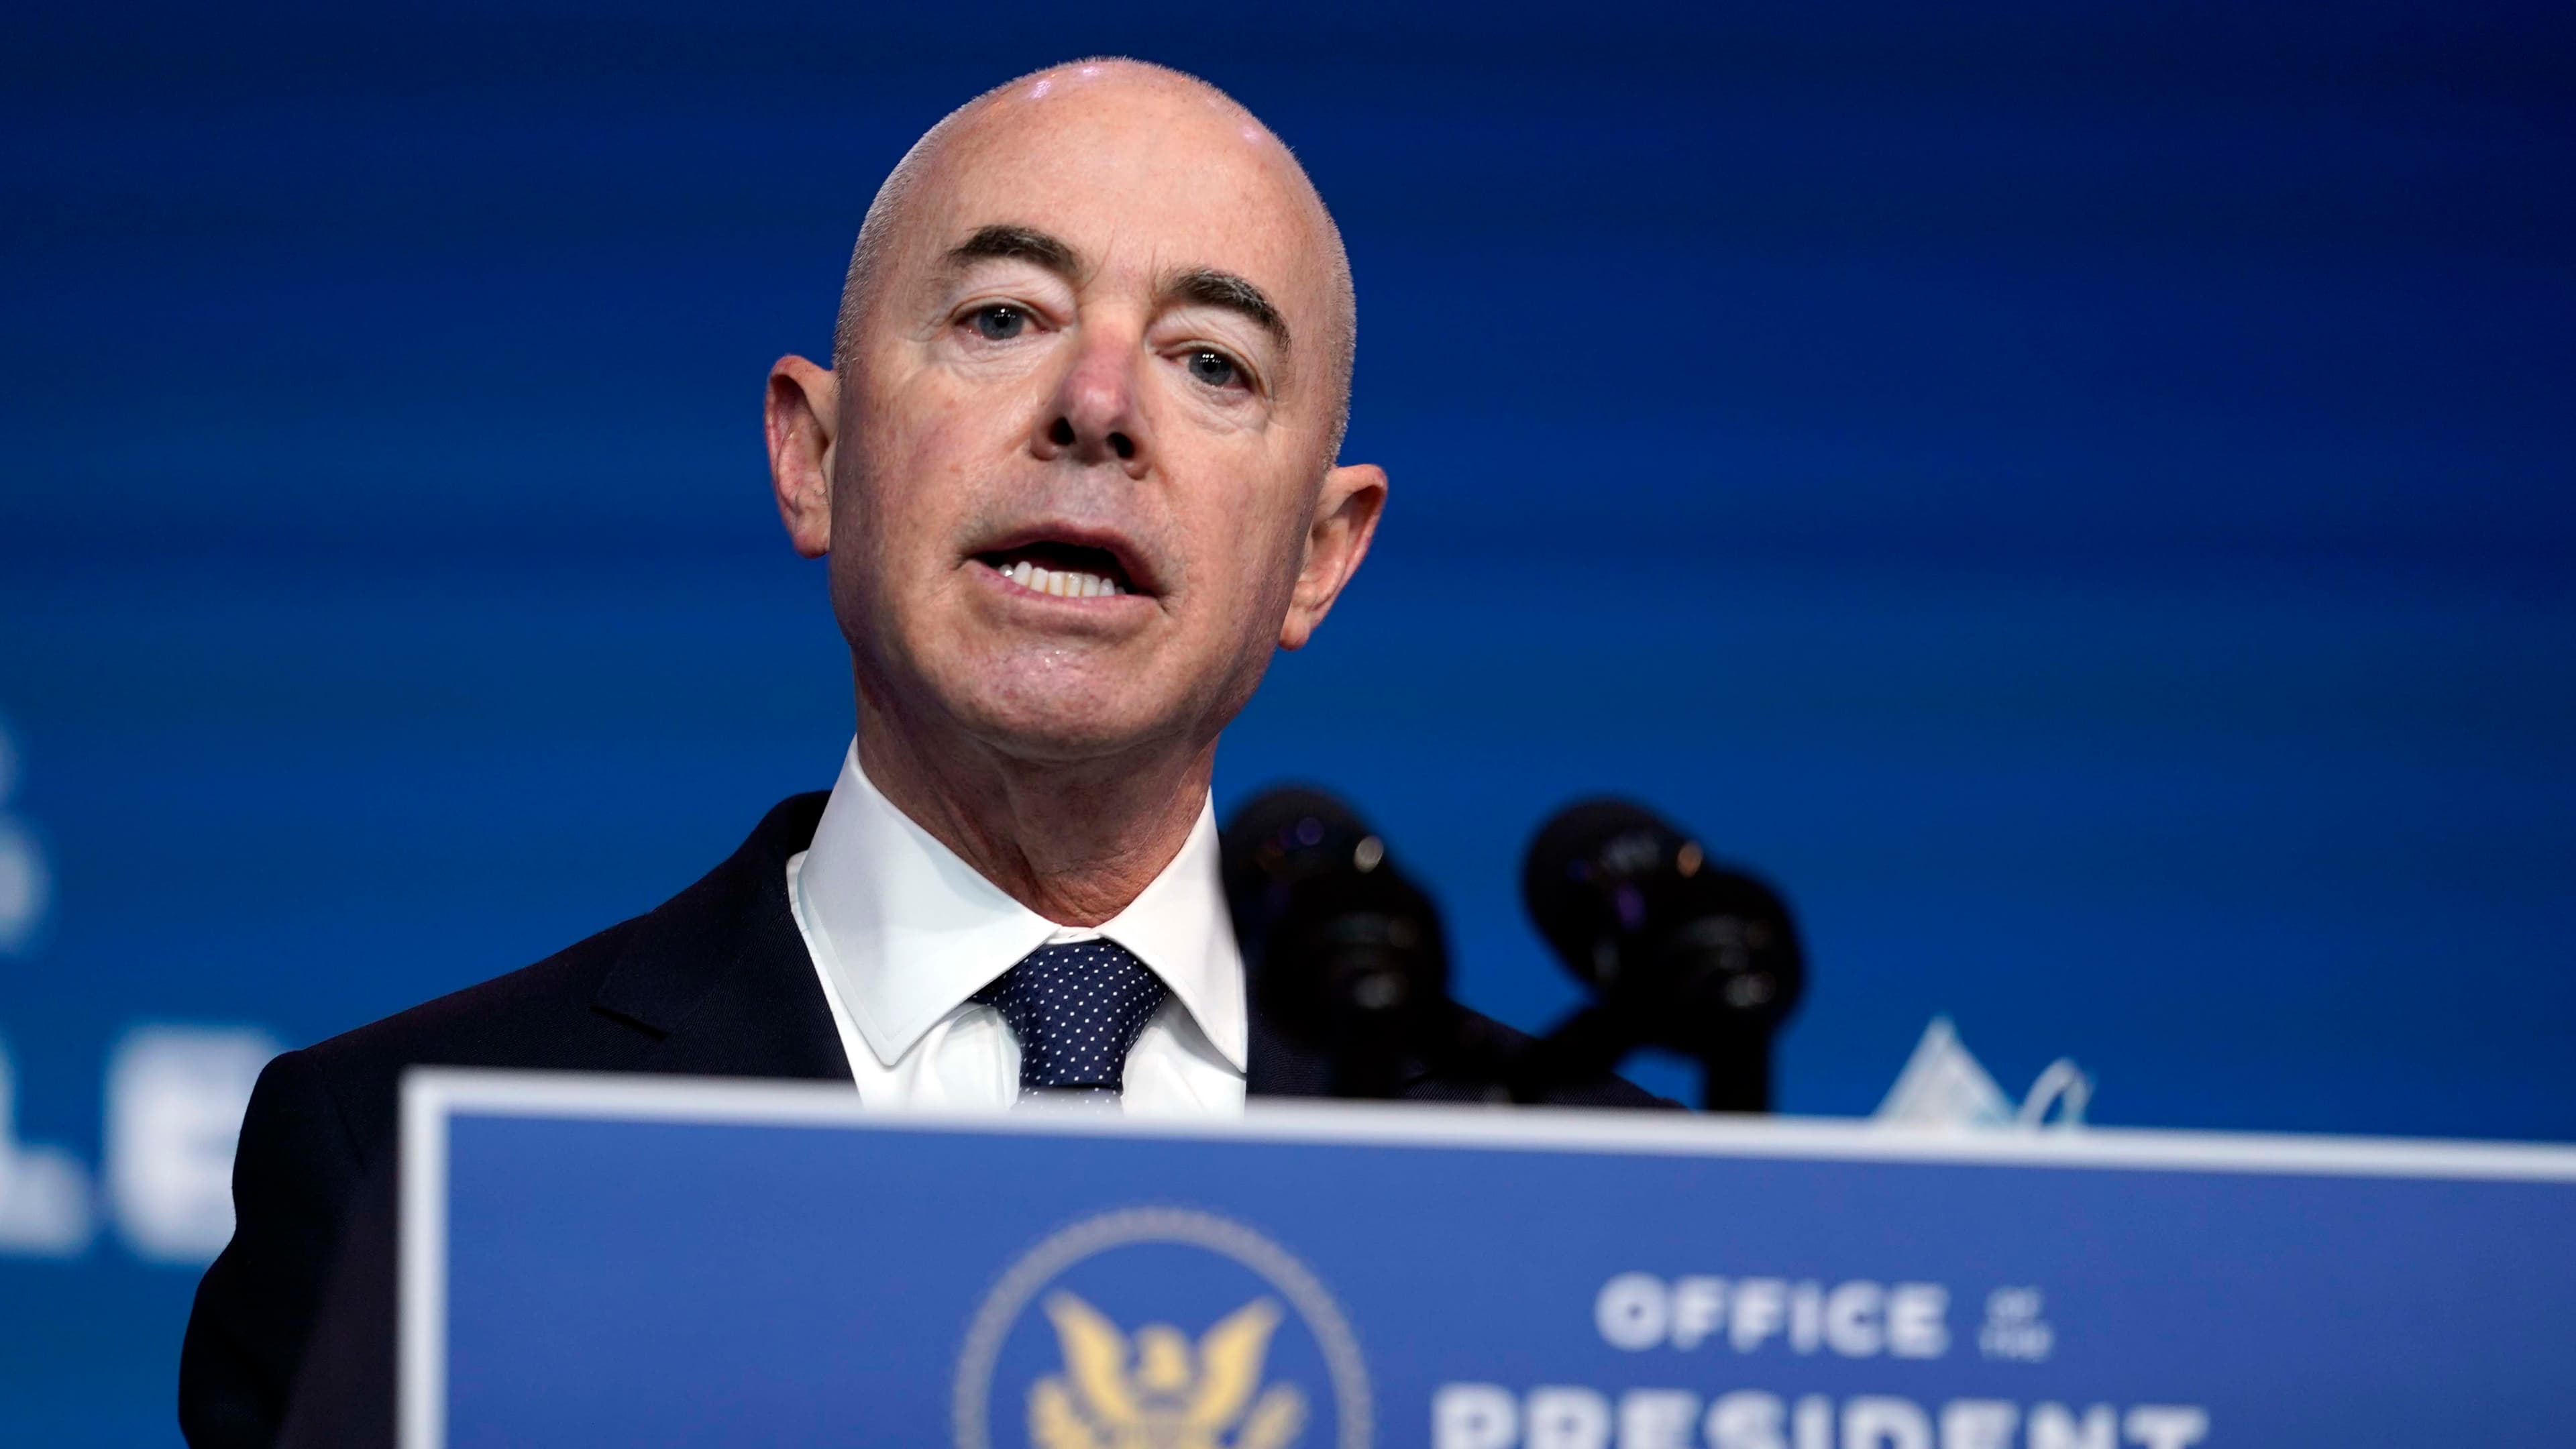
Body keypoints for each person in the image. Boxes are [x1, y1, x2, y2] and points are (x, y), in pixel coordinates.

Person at [177, 57, 1657, 1448]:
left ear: (1320, 560)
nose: (1098, 409)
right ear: (813, 455)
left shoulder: (1606, 1214)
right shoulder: (411, 1174)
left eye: (1210, 360)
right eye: (1003, 318)